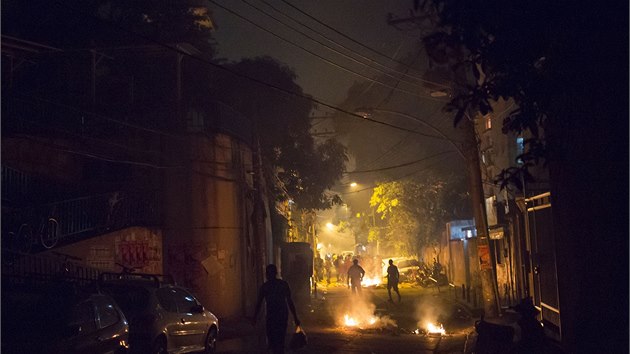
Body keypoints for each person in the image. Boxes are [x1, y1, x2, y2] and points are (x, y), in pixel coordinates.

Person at [253, 264, 301, 354]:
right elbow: (290, 302)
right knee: (280, 339)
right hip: (281, 315)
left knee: (273, 339)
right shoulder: (283, 284)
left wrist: (255, 317)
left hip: (272, 316)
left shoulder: (265, 287)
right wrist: (295, 317)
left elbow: (259, 303)